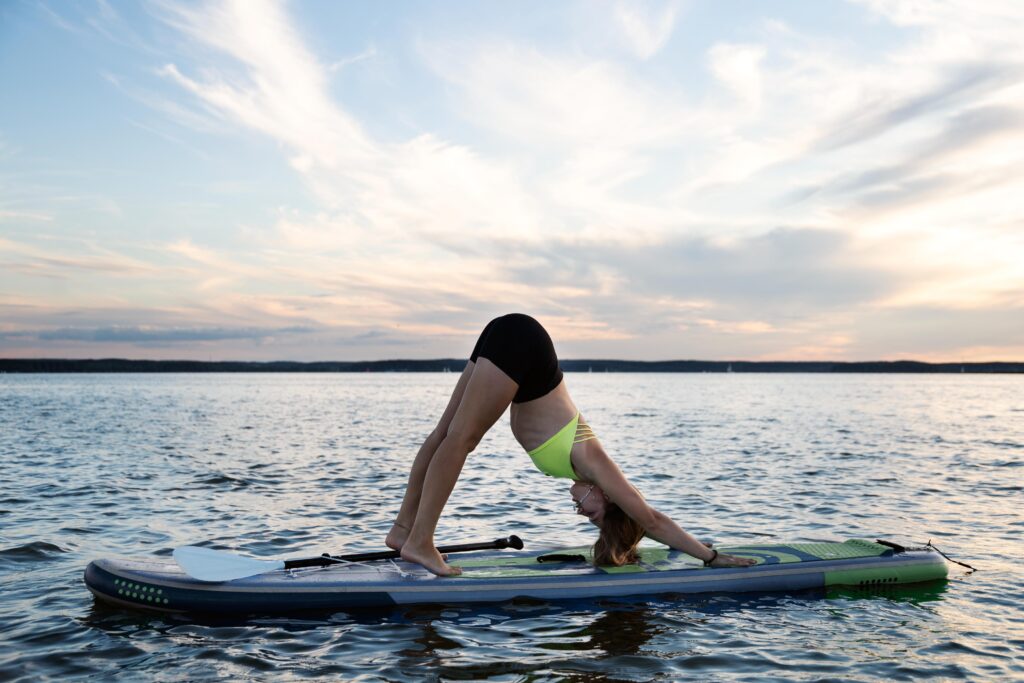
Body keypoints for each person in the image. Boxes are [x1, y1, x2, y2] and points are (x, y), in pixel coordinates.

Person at [386, 313, 756, 576]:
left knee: (445, 435)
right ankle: (420, 539)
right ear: (608, 496)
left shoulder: (578, 469)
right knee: (459, 439)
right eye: (593, 514)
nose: (582, 512)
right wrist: (710, 557)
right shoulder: (596, 463)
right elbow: (651, 519)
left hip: (513, 336)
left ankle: (403, 531)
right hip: (523, 343)